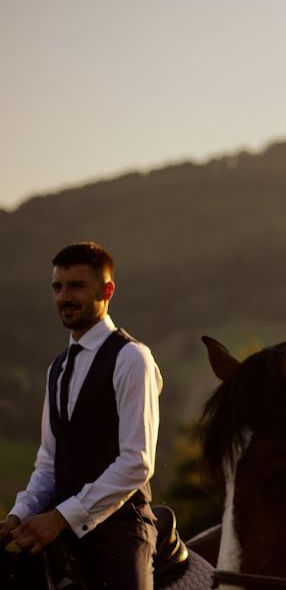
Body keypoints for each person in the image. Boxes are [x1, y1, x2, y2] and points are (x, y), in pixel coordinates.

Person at [0, 242, 161, 588]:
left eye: (76, 286)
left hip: (120, 528)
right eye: (57, 287)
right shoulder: (56, 368)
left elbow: (137, 462)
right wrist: (19, 515)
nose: (63, 297)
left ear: (107, 290)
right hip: (54, 528)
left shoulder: (133, 358)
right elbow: (48, 462)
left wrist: (61, 517)